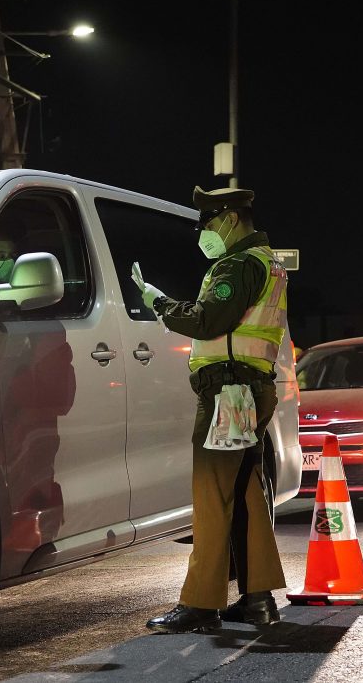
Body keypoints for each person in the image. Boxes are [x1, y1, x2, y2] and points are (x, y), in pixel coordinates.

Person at [133, 186, 288, 634]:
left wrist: (159, 303)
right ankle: (257, 599)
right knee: (244, 494)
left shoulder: (239, 264)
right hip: (250, 390)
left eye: (210, 221)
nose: (204, 230)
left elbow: (206, 320)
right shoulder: (269, 263)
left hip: (229, 393)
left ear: (233, 219)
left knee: (211, 495)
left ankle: (200, 604)